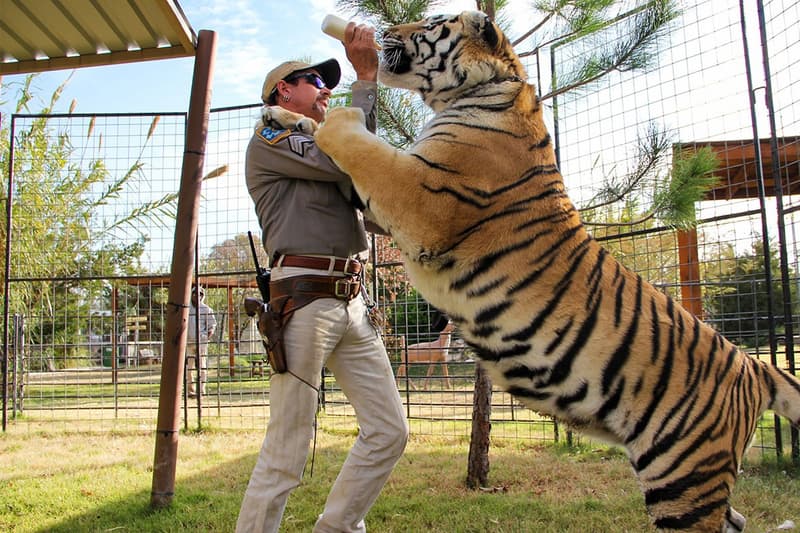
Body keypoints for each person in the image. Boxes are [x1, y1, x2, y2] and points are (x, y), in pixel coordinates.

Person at [236, 21, 409, 533]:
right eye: (314, 79)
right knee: (288, 448)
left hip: (353, 300)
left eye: (327, 81)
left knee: (389, 431)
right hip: (305, 299)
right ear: (282, 91)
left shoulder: (325, 149)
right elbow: (352, 159)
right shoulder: (272, 137)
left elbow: (370, 187)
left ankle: (336, 528)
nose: (325, 88)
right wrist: (366, 79)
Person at [186, 285, 217, 398]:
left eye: (200, 294)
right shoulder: (186, 308)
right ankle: (190, 391)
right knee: (189, 368)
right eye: (194, 293)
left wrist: (207, 336)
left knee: (202, 367)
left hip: (201, 342)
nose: (197, 296)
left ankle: (201, 390)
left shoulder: (206, 309)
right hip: (188, 342)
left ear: (202, 296)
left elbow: (212, 325)